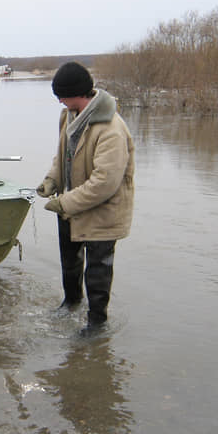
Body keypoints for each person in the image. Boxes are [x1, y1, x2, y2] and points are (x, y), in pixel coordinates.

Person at [36, 61, 134, 335]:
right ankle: (71, 302)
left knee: (98, 269)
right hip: (72, 203)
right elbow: (62, 154)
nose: (58, 101)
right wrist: (52, 180)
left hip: (103, 210)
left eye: (62, 95)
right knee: (69, 259)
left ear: (79, 93)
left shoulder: (111, 129)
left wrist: (64, 202)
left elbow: (105, 182)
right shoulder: (68, 115)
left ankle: (97, 323)